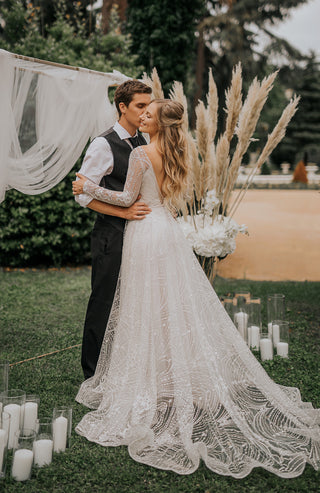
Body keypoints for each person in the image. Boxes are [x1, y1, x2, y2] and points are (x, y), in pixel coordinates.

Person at [72, 100, 319, 477]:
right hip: (167, 230)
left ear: (158, 122)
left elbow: (126, 198)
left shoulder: (140, 152)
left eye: (149, 114)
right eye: (143, 111)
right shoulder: (177, 150)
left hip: (145, 230)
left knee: (146, 304)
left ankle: (151, 381)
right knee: (170, 304)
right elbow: (166, 196)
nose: (143, 117)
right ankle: (173, 376)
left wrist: (88, 186)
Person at [74, 80, 152, 380]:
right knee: (104, 301)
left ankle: (121, 367)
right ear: (123, 107)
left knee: (131, 301)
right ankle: (93, 374)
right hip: (110, 236)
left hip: (139, 236)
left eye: (148, 106)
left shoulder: (143, 141)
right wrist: (124, 211)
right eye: (140, 106)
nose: (145, 112)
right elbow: (82, 194)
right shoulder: (103, 143)